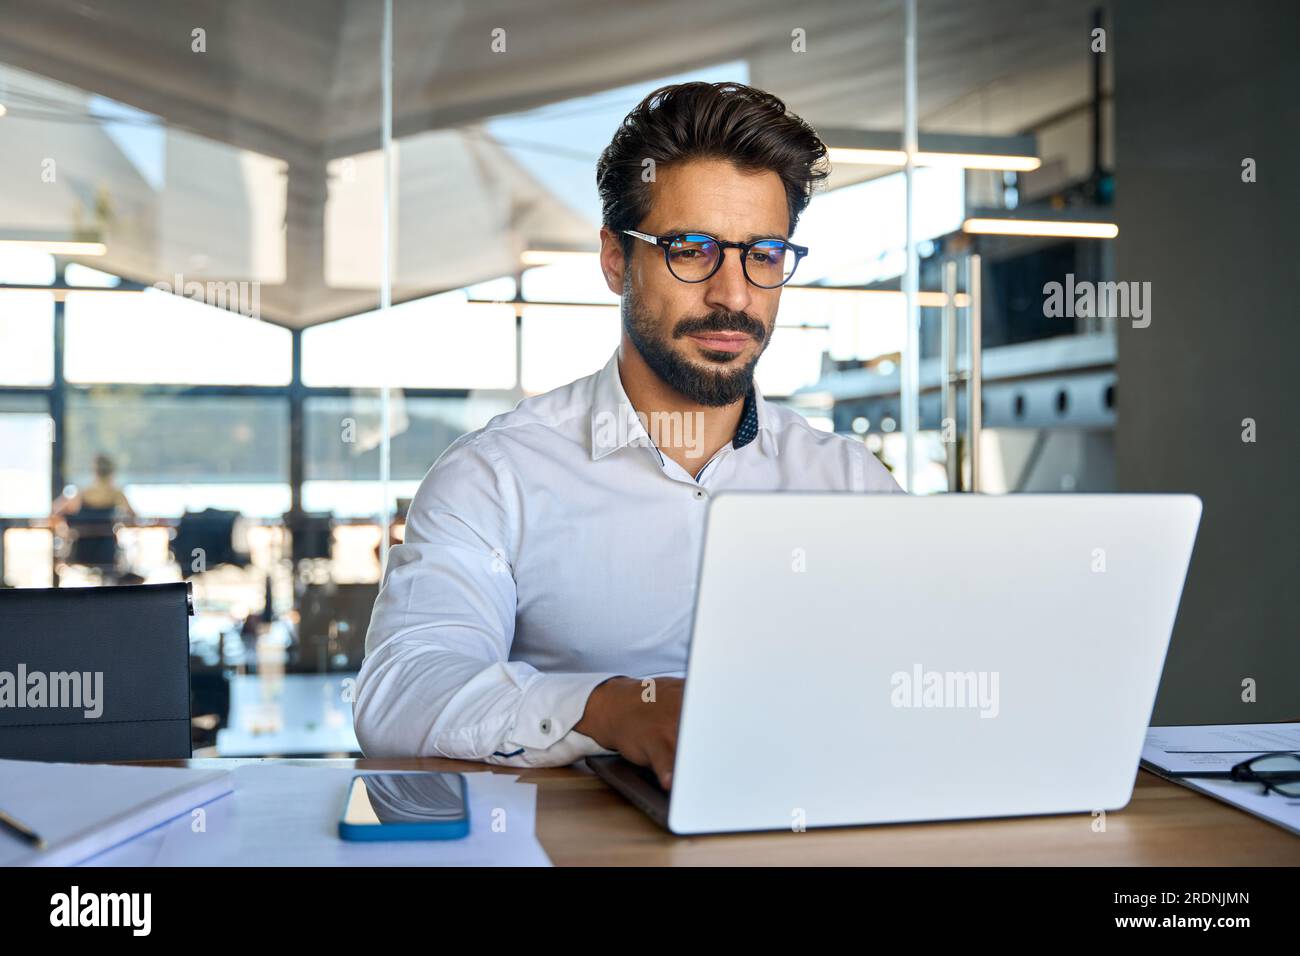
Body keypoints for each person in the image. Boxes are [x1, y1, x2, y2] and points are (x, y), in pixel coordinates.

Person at [354, 82, 901, 788]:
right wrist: (609, 709)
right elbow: (403, 691)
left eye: (762, 254)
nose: (733, 294)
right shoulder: (497, 477)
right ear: (616, 259)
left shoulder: (850, 483)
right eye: (692, 249)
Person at [51, 453, 136, 522]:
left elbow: (57, 510)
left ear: (95, 471)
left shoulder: (84, 492)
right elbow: (133, 515)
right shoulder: (116, 493)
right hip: (107, 541)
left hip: (84, 540)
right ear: (112, 471)